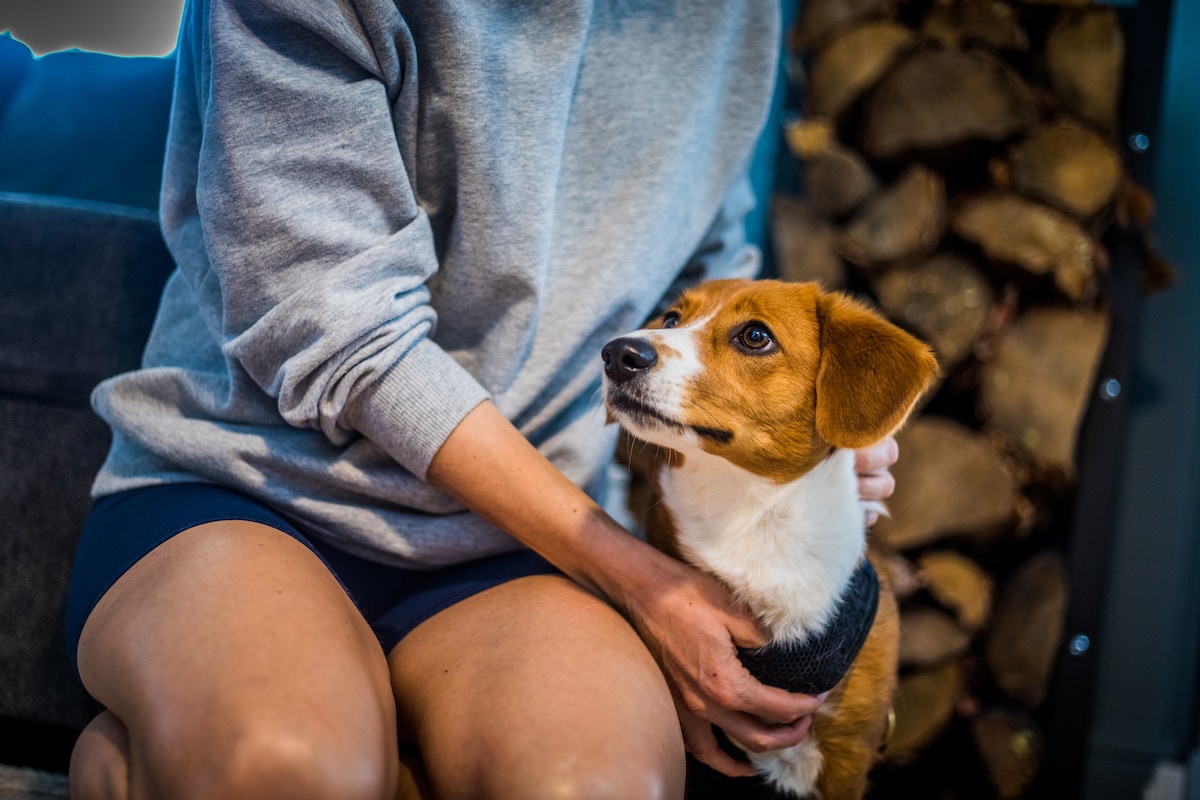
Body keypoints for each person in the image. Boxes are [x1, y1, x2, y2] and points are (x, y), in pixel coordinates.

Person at [64, 1, 901, 798]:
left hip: (520, 551)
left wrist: (808, 417)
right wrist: (639, 580)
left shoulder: (731, 16)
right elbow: (335, 327)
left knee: (596, 790)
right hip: (248, 489)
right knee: (286, 772)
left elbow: (700, 274)